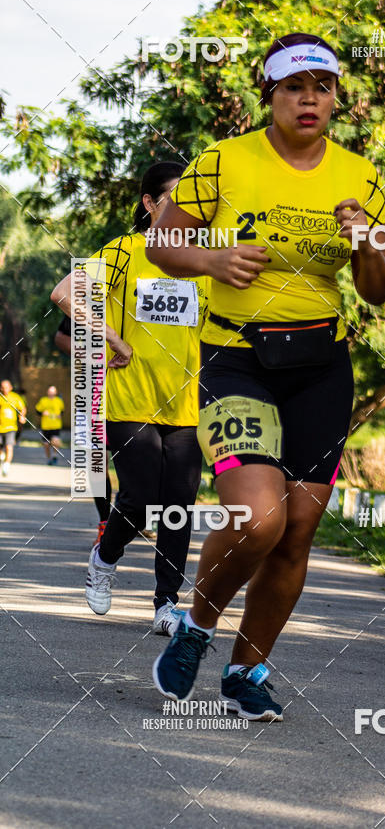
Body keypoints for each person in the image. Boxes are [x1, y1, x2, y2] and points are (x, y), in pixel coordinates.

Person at [148, 32, 385, 718]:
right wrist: (213, 260)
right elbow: (164, 241)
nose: (309, 97)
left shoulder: (360, 175)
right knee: (258, 518)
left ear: (336, 97)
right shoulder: (225, 162)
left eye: (322, 85)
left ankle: (246, 674)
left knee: (296, 532)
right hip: (238, 356)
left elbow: (377, 289)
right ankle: (197, 628)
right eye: (294, 86)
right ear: (271, 96)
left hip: (321, 365)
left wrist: (367, 244)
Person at [51, 162, 206, 636]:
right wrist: (111, 338)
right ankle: (105, 557)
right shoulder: (124, 251)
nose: (187, 210)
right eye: (176, 198)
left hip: (186, 403)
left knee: (178, 502)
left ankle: (165, 603)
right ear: (149, 203)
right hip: (127, 397)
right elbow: (63, 294)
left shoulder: (202, 260)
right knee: (140, 497)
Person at [54, 314, 119, 544]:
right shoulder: (90, 298)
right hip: (93, 391)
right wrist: (89, 355)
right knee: (96, 461)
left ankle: (138, 517)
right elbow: (61, 337)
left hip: (137, 389)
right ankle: (105, 523)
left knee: (139, 462)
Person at [0, 379, 26, 477]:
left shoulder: (15, 397)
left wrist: (22, 416)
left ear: (10, 387)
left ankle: (6, 466)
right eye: (3, 387)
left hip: (11, 427)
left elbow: (22, 408)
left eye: (6, 387)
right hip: (0, 427)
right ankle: (2, 457)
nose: (5, 389)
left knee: (9, 447)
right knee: (1, 449)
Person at [35, 385, 64, 465]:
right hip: (46, 426)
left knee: (55, 441)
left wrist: (60, 415)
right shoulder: (43, 400)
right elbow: (37, 411)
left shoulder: (59, 401)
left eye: (53, 391)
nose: (51, 393)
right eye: (50, 391)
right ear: (47, 392)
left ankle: (55, 455)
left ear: (55, 392)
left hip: (56, 425)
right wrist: (42, 413)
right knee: (46, 444)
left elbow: (62, 411)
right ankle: (49, 459)